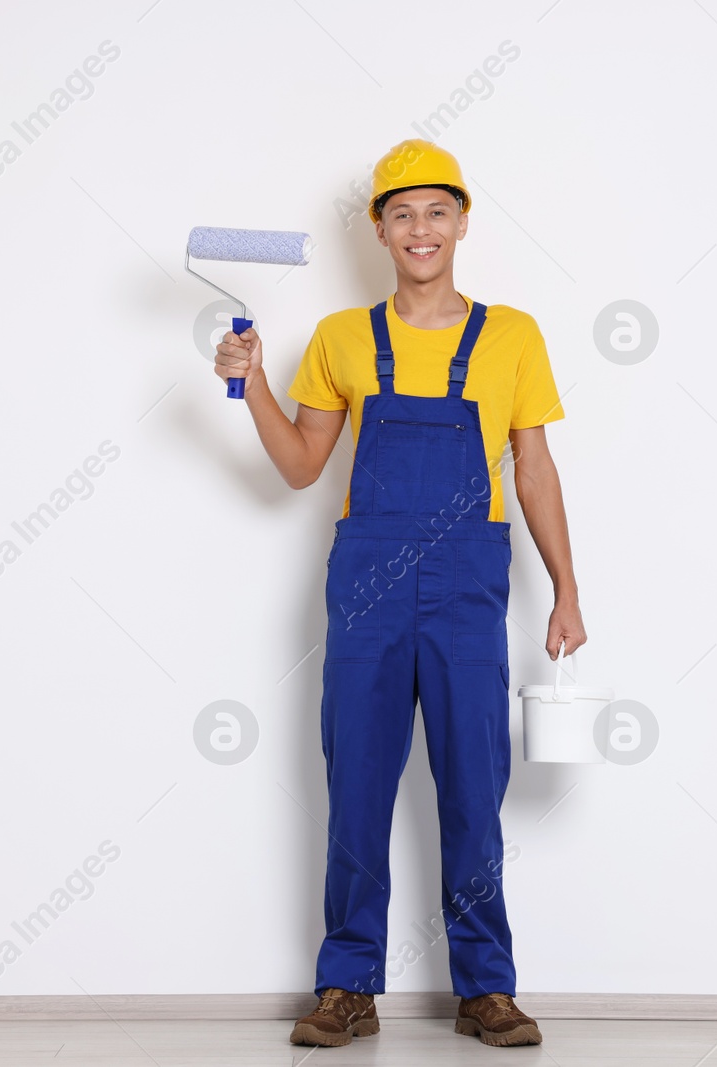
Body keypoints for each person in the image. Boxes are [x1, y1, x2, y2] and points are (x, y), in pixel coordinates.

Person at [212, 138, 585, 1049]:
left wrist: (567, 590)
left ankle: (485, 988)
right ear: (379, 227)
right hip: (369, 590)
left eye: (437, 212)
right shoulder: (342, 338)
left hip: (466, 591)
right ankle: (347, 984)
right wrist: (248, 383)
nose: (421, 229)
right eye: (402, 213)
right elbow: (303, 465)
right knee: (360, 787)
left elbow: (533, 468)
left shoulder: (514, 335)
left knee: (472, 788)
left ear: (462, 223)